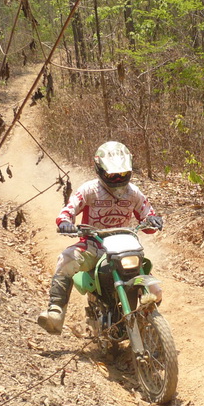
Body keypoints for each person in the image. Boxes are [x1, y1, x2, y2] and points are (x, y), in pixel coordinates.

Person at [37, 141, 163, 334]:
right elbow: (69, 210)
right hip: (93, 246)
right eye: (112, 175)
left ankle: (148, 327)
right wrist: (65, 222)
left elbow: (148, 216)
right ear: (100, 170)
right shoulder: (89, 190)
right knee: (66, 259)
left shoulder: (133, 192)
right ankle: (56, 311)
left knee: (156, 291)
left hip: (125, 246)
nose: (118, 178)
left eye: (122, 173)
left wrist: (153, 220)